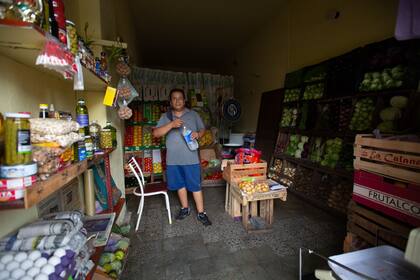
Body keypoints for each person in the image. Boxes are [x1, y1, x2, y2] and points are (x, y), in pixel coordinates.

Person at [153, 88, 212, 226]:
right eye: (174, 98)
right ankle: (185, 209)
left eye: (180, 98)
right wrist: (171, 124)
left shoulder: (193, 115)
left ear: (184, 100)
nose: (177, 101)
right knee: (180, 185)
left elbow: (203, 129)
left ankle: (201, 213)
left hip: (191, 159)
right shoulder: (165, 117)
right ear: (170, 101)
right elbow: (156, 133)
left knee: (195, 186)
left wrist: (198, 134)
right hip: (173, 160)